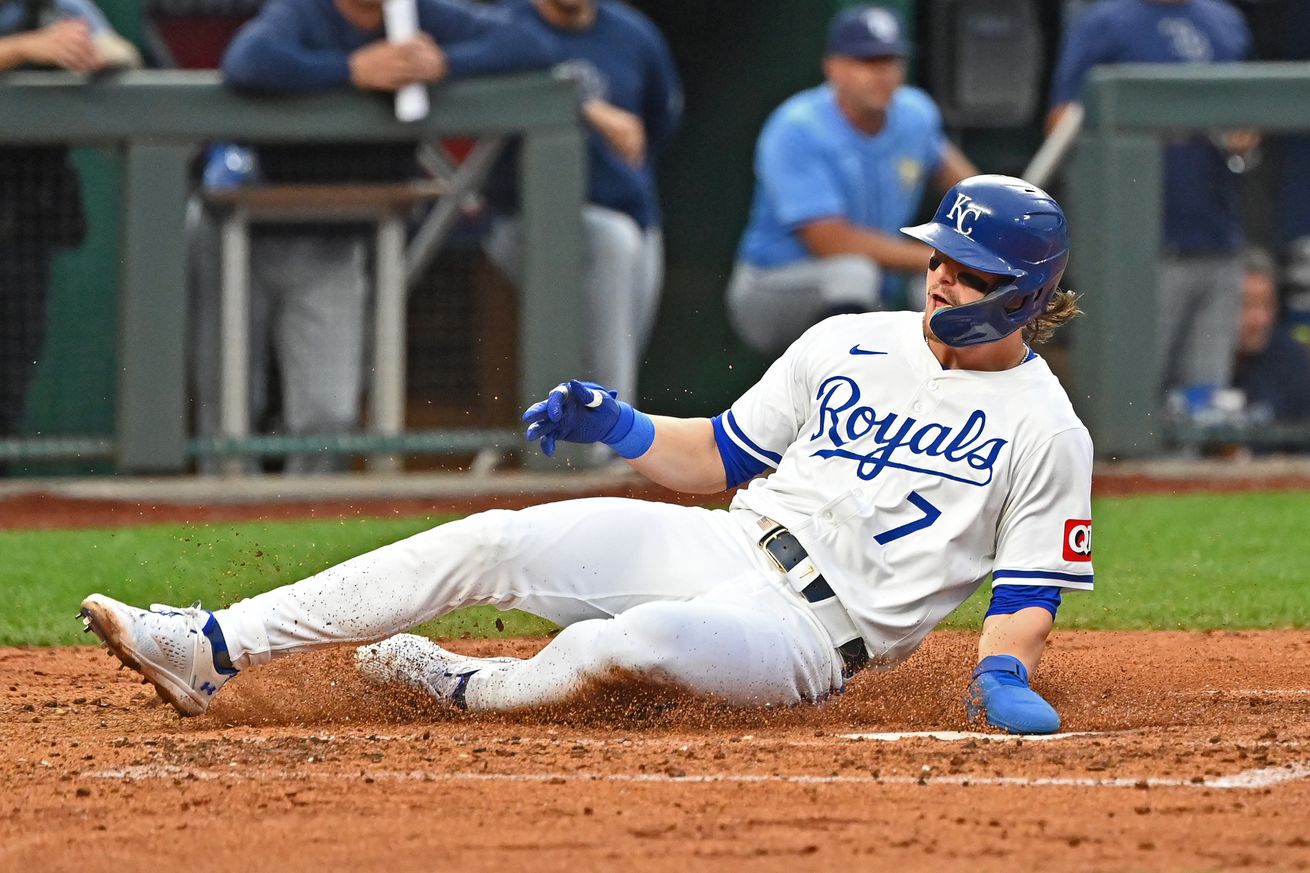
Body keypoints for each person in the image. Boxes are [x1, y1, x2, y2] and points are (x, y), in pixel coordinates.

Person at [81, 175, 1092, 735]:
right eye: (938, 257)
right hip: (729, 545)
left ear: (1026, 291)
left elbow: (1027, 592)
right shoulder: (847, 338)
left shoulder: (1045, 427)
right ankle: (212, 646)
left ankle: (461, 685)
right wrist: (622, 428)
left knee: (631, 644)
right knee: (495, 538)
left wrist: (1001, 675)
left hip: (806, 641)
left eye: (970, 270)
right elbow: (714, 458)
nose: (940, 278)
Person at [190, 0, 555, 474]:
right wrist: (351, 70)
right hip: (242, 230)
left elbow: (532, 44)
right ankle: (220, 522)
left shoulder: (421, 15)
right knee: (230, 400)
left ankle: (310, 528)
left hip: (335, 240)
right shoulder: (303, 12)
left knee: (329, 414)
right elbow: (248, 61)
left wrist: (443, 63)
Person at [725, 4, 977, 358]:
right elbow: (832, 241)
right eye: (866, 62)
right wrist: (940, 258)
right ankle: (849, 389)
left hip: (874, 283)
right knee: (853, 272)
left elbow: (969, 187)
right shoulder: (797, 126)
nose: (881, 73)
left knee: (938, 285)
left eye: (889, 61)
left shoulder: (915, 113)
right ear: (834, 68)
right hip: (774, 288)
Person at [482, 0, 682, 425]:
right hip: (524, 222)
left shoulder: (633, 32)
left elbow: (659, 124)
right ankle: (606, 443)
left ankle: (598, 444)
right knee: (611, 253)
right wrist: (581, 104)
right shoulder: (505, 26)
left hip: (632, 215)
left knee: (619, 351)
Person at [1048, 0, 1253, 408]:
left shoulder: (1226, 21)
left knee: (1203, 404)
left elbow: (1252, 112)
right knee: (1131, 403)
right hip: (1137, 250)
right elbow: (1061, 123)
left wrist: (1242, 132)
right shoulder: (1105, 22)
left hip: (1217, 238)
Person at [0, 0, 138, 465]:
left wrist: (89, 51)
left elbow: (122, 52)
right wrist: (22, 49)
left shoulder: (55, 4)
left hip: (22, 214)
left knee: (9, 380)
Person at [1233, 247, 1310, 444]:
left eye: (1268, 305)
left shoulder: (1291, 360)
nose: (1260, 319)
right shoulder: (1194, 359)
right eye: (1247, 305)